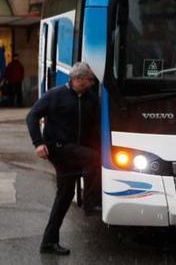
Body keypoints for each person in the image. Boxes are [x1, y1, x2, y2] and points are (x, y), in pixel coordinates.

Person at [25, 62, 101, 256]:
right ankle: (91, 202)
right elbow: (32, 116)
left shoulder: (91, 98)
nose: (92, 83)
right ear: (78, 79)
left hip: (76, 151)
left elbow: (96, 125)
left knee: (64, 197)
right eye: (89, 80)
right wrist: (38, 143)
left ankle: (48, 242)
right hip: (59, 148)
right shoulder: (55, 95)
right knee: (95, 159)